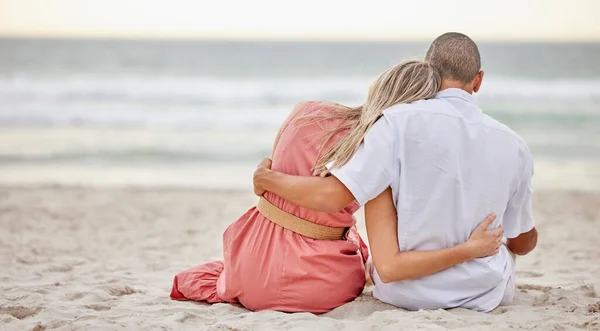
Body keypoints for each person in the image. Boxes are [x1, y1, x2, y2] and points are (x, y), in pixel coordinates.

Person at [170, 60, 504, 314]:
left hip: (250, 258)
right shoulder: (380, 147)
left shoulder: (307, 112)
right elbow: (334, 198)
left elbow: (279, 169)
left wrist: (266, 180)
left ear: (380, 87)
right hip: (317, 284)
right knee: (362, 256)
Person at [253, 32, 538, 312]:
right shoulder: (514, 145)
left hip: (406, 293)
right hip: (484, 293)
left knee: (386, 186)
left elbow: (334, 196)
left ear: (430, 73)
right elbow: (522, 243)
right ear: (478, 80)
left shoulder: (394, 123)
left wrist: (267, 179)